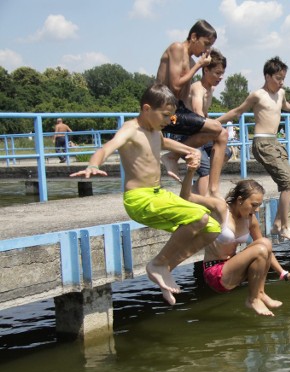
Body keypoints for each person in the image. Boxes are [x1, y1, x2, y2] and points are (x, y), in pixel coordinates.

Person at [70, 84, 220, 306]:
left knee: (212, 229)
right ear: (147, 108)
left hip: (158, 194)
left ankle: (165, 270)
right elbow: (107, 147)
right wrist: (93, 164)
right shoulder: (130, 129)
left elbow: (164, 142)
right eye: (165, 115)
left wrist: (190, 150)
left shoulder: (155, 130)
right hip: (140, 199)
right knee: (199, 217)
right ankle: (158, 264)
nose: (169, 121)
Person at [170, 166, 290, 316]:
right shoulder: (221, 209)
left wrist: (283, 273)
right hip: (215, 273)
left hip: (233, 270)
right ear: (240, 200)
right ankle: (253, 299)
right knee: (260, 248)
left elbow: (267, 251)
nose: (257, 210)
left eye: (258, 205)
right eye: (254, 205)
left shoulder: (250, 220)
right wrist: (190, 172)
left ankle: (260, 293)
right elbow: (186, 197)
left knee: (265, 243)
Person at [217, 56, 290, 240]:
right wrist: (215, 122)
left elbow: (283, 106)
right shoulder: (258, 95)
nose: (281, 82)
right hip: (262, 143)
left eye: (283, 78)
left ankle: (278, 224)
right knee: (289, 184)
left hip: (275, 142)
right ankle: (284, 227)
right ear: (267, 76)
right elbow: (238, 111)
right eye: (278, 78)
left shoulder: (281, 93)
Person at [155, 19, 228, 197]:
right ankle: (172, 156)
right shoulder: (177, 48)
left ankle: (213, 188)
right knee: (218, 129)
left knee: (220, 133)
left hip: (177, 109)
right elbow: (175, 86)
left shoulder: (188, 57)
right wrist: (199, 66)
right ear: (194, 37)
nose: (206, 50)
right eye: (206, 44)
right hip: (165, 111)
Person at [183, 48, 233, 195]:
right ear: (206, 70)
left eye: (222, 73)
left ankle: (191, 192)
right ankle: (208, 201)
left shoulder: (210, 89)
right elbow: (198, 113)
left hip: (201, 135)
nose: (221, 77)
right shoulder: (198, 88)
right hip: (188, 136)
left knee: (227, 152)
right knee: (205, 171)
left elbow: (205, 114)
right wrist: (213, 126)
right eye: (217, 73)